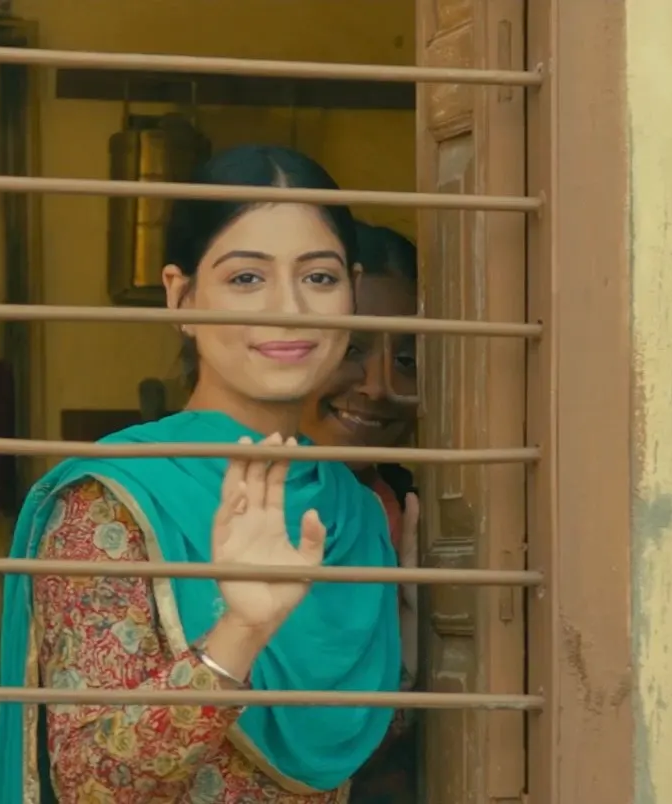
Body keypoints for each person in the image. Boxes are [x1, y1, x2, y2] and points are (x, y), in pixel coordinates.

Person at [0, 145, 401, 803]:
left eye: (319, 277)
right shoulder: (112, 501)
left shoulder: (355, 515)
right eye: (247, 278)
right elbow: (91, 781)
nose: (289, 308)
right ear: (181, 296)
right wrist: (241, 630)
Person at [298, 223, 422, 804]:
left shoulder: (411, 515)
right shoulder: (198, 505)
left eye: (409, 359)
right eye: (351, 349)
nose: (379, 387)